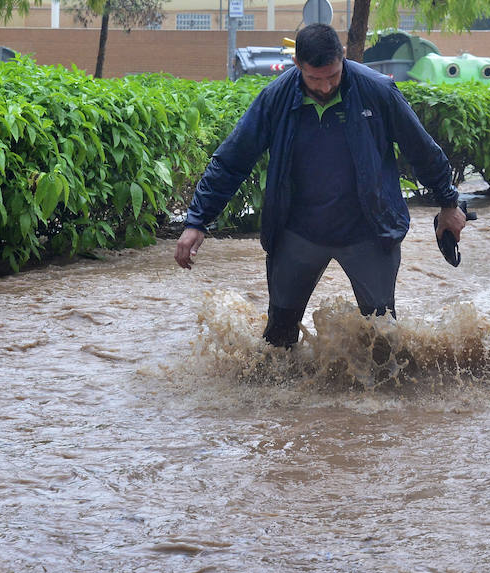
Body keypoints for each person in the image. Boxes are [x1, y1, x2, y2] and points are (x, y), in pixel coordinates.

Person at [174, 23, 466, 348]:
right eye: (314, 78)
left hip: (368, 231)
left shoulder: (378, 91)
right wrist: (197, 221)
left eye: (333, 76)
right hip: (298, 234)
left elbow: (421, 148)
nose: (325, 87)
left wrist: (448, 202)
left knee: (382, 338)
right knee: (279, 337)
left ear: (342, 58)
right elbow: (232, 160)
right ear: (297, 65)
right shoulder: (275, 99)